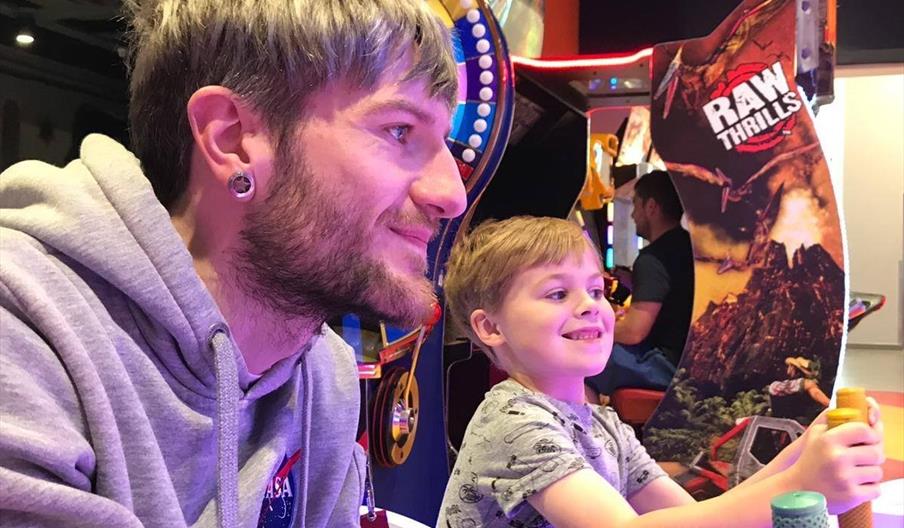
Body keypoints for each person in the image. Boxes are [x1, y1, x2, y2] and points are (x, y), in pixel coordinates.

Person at [0, 1, 465, 527]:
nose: (452, 196)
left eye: (443, 141)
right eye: (400, 130)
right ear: (232, 140)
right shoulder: (22, 329)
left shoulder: (323, 375)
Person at [439, 216, 884, 527]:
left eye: (597, 290)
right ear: (490, 326)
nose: (590, 306)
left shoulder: (603, 423)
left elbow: (691, 515)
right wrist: (802, 482)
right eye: (557, 293)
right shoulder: (514, 423)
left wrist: (807, 450)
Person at [587, 169, 694, 399]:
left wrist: (593, 330)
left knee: (584, 362)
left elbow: (634, 332)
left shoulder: (653, 258)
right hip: (691, 362)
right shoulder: (692, 248)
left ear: (651, 207)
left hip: (669, 368)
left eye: (636, 205)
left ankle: (590, 434)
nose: (633, 215)